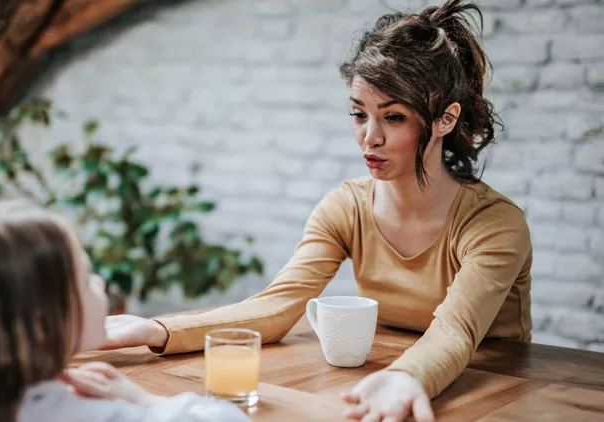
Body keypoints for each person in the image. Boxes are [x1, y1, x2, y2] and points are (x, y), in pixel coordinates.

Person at [97, 1, 533, 421]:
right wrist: (156, 329)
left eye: (394, 117)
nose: (369, 138)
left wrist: (405, 376)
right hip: (388, 379)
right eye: (358, 114)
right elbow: (279, 305)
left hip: (496, 390)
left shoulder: (493, 224)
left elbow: (455, 331)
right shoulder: (346, 206)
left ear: (445, 119)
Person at [0, 200, 249, 422]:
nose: (100, 284)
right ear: (40, 325)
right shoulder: (87, 413)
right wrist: (147, 401)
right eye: (86, 279)